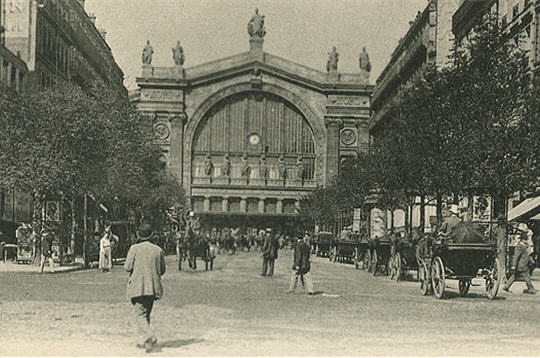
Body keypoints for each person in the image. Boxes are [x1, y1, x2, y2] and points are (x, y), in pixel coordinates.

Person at [125, 223, 166, 352]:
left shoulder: (134, 248)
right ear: (151, 235)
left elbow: (127, 267)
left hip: (138, 287)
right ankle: (147, 343)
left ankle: (149, 336)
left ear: (138, 235)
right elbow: (162, 270)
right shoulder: (158, 250)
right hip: (153, 287)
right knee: (146, 313)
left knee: (140, 315)